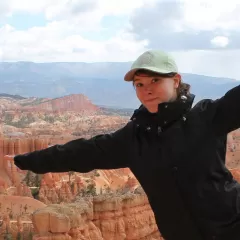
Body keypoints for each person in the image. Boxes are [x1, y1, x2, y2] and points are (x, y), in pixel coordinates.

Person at [13, 49, 240, 240]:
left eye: (155, 81)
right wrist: (25, 160)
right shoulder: (133, 138)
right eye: (139, 84)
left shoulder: (206, 117)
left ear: (176, 80)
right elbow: (81, 153)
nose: (146, 90)